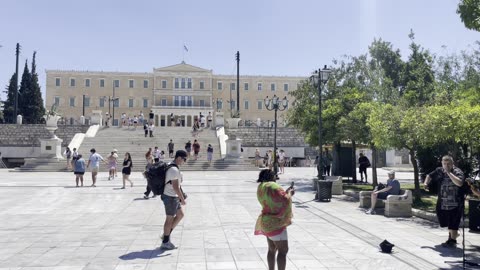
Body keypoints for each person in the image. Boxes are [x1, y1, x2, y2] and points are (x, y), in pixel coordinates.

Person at [254, 169, 295, 270]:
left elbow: (274, 199)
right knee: (283, 250)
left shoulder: (261, 187)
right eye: (274, 176)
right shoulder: (272, 185)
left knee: (271, 249)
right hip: (276, 223)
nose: (275, 179)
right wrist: (289, 194)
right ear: (271, 176)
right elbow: (284, 199)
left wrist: (285, 193)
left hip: (266, 221)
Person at [423, 155, 465, 248]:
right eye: (444, 163)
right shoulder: (439, 170)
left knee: (453, 221)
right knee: (444, 219)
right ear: (442, 163)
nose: (446, 165)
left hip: (455, 202)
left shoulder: (457, 171)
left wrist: (449, 173)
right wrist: (426, 183)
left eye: (448, 164)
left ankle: (452, 240)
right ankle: (454, 235)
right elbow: (429, 175)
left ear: (452, 164)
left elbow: (460, 183)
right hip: (442, 201)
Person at [160, 150, 188, 250]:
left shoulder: (172, 165)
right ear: (179, 158)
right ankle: (165, 242)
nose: (184, 161)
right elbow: (176, 187)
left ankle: (166, 235)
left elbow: (176, 186)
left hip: (172, 196)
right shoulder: (174, 170)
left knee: (180, 214)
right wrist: (182, 199)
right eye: (184, 159)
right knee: (169, 219)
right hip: (170, 197)